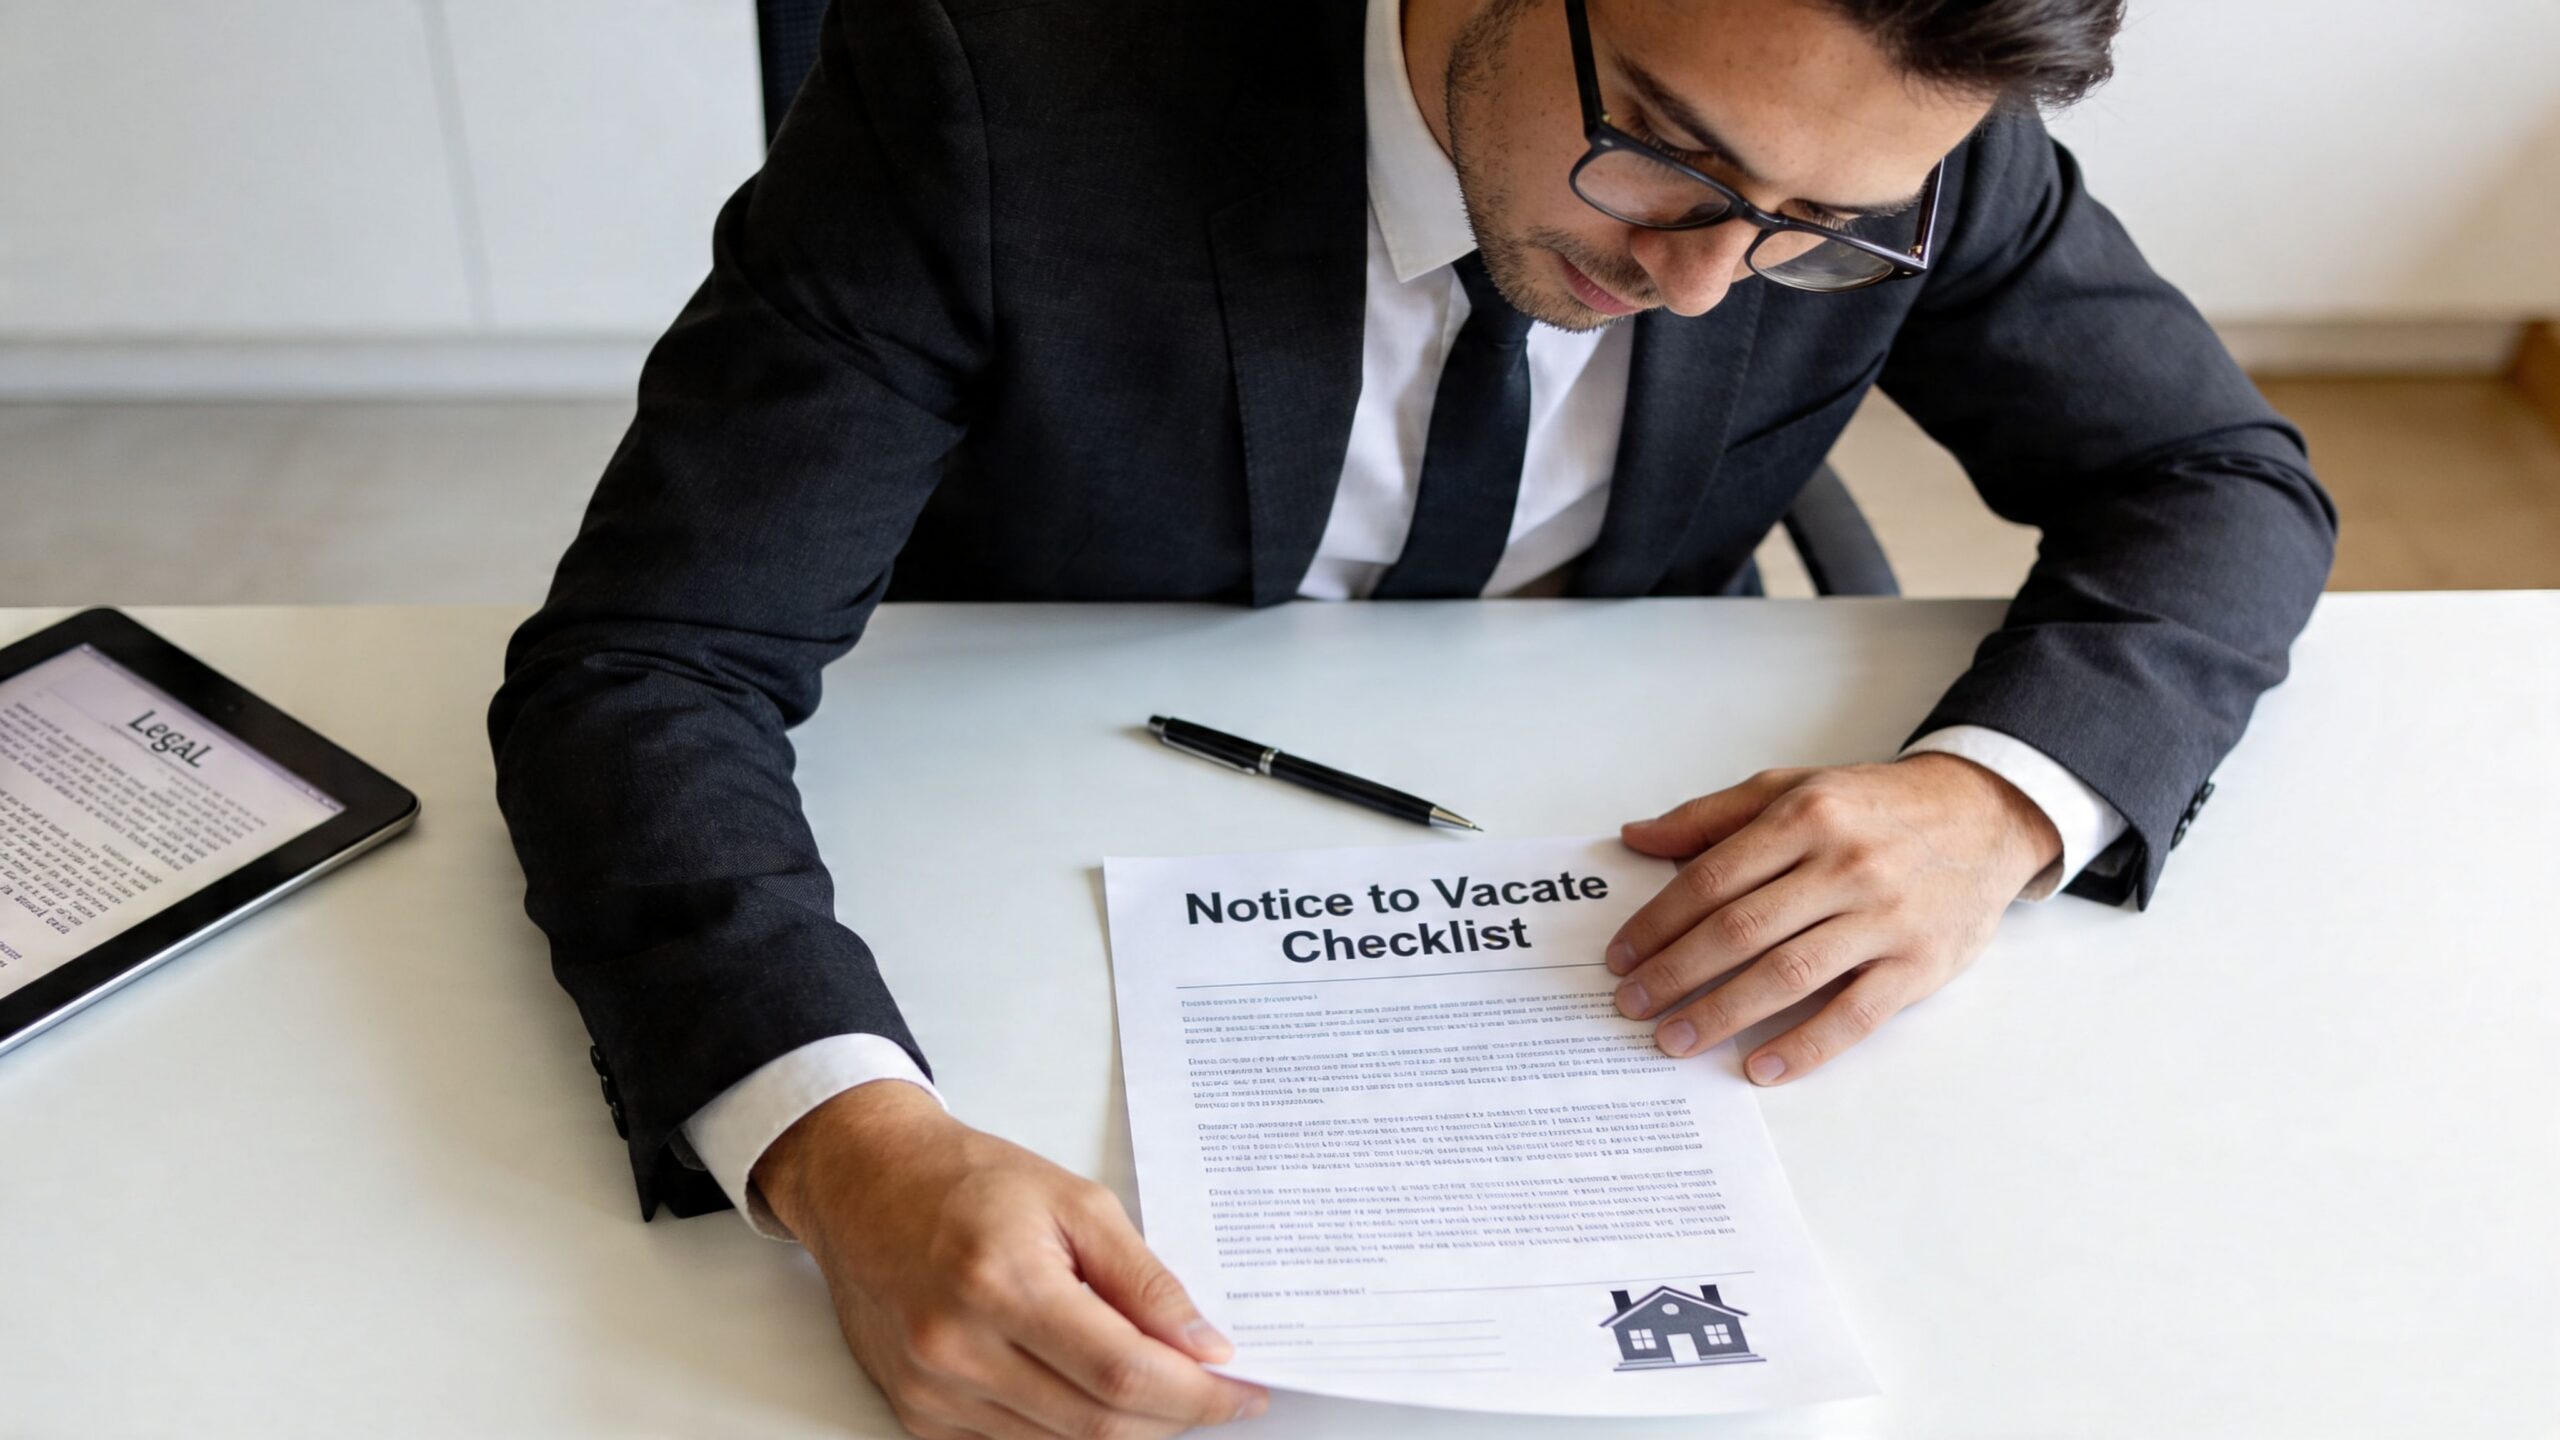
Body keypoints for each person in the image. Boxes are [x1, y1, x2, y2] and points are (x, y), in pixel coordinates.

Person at [488, 0, 2334, 1433]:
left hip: (1599, 865)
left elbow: (2217, 480)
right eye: (1664, 158)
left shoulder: (1899, 151)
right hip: (1046, 819)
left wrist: (1997, 800)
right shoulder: (992, 91)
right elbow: (644, 668)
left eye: (1813, 232)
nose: (1694, 281)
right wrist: (841, 1148)